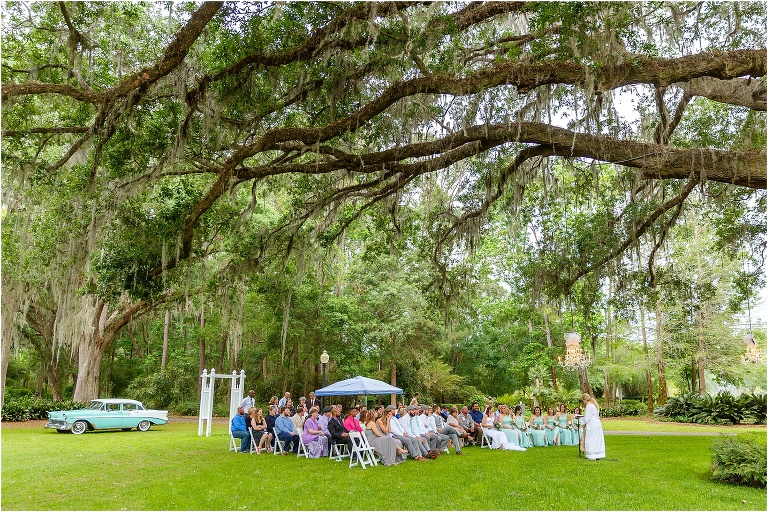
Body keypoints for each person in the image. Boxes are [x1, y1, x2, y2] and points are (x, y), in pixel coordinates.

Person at [581, 393, 605, 460]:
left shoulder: (589, 406)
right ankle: (598, 454)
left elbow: (587, 418)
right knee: (596, 439)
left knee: (590, 438)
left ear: (584, 400)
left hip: (592, 424)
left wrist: (581, 422)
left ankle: (591, 455)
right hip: (597, 423)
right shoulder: (594, 405)